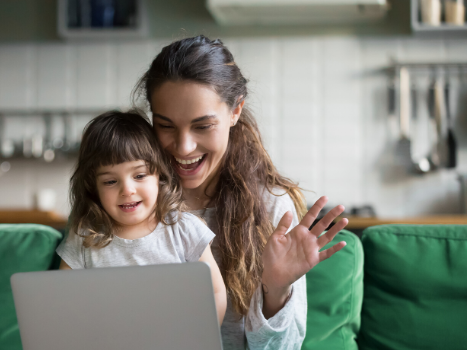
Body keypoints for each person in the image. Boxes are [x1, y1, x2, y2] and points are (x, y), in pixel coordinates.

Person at [132, 35, 349, 349]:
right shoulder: (132, 201)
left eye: (202, 126)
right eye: (166, 125)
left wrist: (276, 292)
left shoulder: (271, 208)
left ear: (235, 111)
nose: (183, 147)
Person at [56, 110, 227, 325]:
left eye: (139, 175)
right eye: (110, 181)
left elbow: (215, 293)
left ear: (159, 176)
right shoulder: (84, 237)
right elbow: (63, 301)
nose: (127, 190)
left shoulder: (184, 229)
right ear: (94, 188)